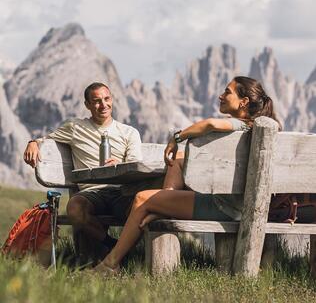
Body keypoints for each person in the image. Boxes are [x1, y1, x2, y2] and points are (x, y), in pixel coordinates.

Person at [94, 76, 280, 274]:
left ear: (243, 102)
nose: (221, 95)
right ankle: (162, 206)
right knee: (180, 159)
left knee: (141, 198)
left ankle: (109, 265)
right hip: (237, 204)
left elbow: (209, 124)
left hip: (226, 207)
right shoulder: (258, 127)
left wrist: (176, 138)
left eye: (227, 92)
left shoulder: (242, 126)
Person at [23, 82, 144, 264]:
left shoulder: (129, 132)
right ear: (87, 105)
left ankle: (131, 255)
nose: (103, 105)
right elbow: (46, 139)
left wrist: (120, 164)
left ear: (112, 100)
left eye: (106, 99)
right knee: (74, 207)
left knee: (143, 208)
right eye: (96, 101)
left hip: (121, 192)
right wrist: (33, 142)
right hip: (91, 193)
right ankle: (113, 246)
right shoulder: (75, 128)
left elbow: (135, 164)